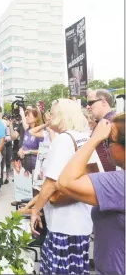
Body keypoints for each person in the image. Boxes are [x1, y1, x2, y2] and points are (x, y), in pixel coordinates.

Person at [29, 99, 98, 275]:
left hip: (63, 223)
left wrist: (36, 210)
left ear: (61, 116)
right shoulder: (83, 137)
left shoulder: (63, 141)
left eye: (52, 113)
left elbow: (51, 183)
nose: (49, 116)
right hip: (81, 220)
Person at [57, 114, 125, 275]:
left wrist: (93, 140)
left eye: (108, 141)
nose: (106, 148)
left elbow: (65, 182)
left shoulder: (121, 183)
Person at [86, 89, 117, 172]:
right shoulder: (106, 121)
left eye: (90, 103)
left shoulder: (112, 122)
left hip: (109, 179)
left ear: (103, 102)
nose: (87, 107)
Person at [17, 107, 44, 175]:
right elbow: (25, 144)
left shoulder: (40, 133)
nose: (26, 117)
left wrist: (29, 152)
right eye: (25, 115)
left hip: (35, 166)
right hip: (25, 163)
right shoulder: (27, 130)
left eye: (28, 116)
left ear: (36, 118)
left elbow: (43, 151)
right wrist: (21, 149)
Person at [0, 109, 15, 197]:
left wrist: (3, 139)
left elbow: (11, 136)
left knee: (5, 163)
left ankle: (2, 182)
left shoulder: (4, 123)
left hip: (5, 145)